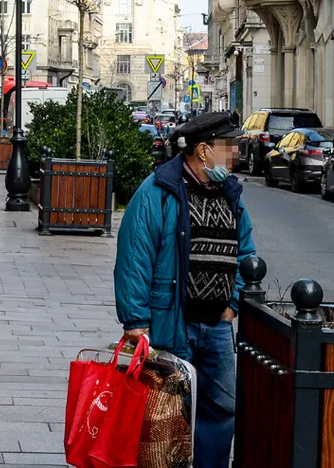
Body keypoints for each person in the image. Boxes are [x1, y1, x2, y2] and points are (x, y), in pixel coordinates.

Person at [114, 112, 256, 468]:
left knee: (222, 411)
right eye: (230, 146)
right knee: (167, 414)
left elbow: (247, 250)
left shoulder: (230, 193)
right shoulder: (158, 190)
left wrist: (233, 302)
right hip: (171, 324)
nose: (235, 154)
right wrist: (135, 320)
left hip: (217, 326)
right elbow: (134, 255)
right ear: (205, 150)